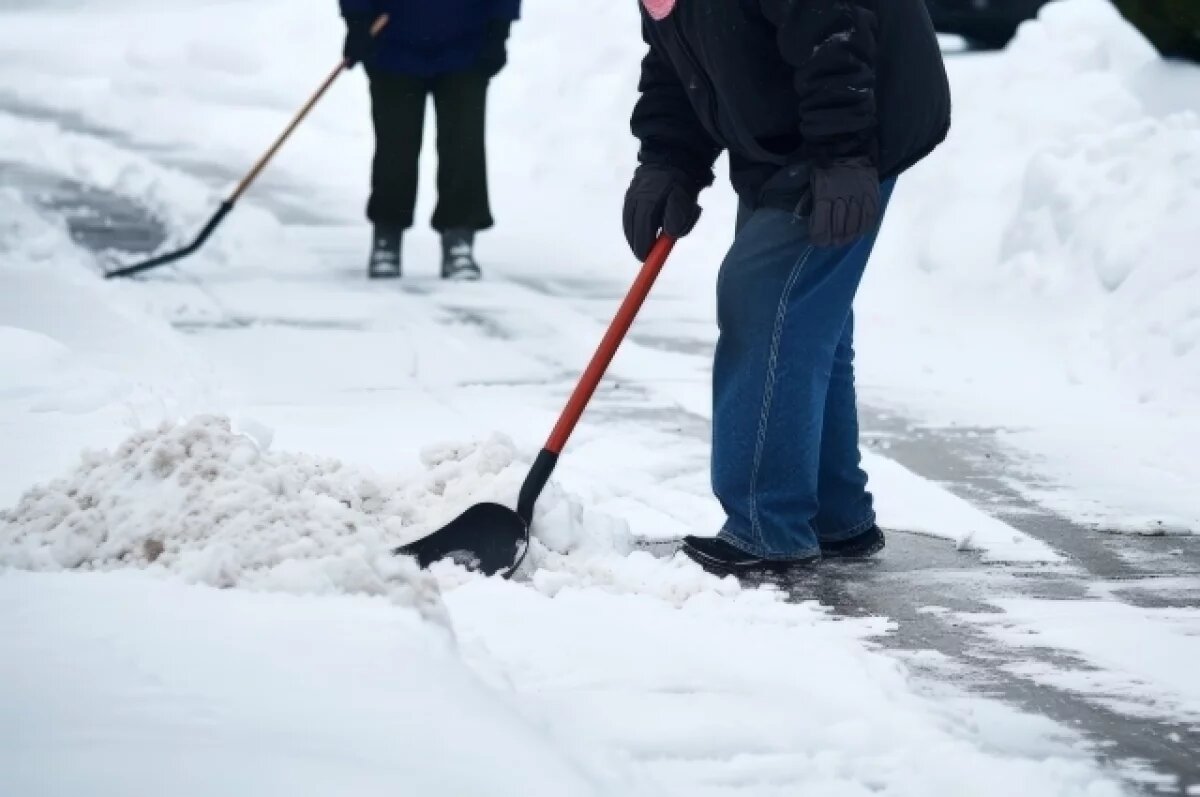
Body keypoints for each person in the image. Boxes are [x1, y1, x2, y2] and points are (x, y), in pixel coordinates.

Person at [625, 0, 950, 574]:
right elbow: (679, 60)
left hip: (855, 124)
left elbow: (834, 33)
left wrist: (844, 157)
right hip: (783, 132)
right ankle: (833, 514)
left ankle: (768, 524)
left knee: (762, 300)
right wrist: (667, 162)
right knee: (802, 316)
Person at [339, 0, 520, 280]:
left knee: (464, 146)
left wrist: (499, 28)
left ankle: (459, 237)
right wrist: (357, 22)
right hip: (392, 44)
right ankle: (387, 235)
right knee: (395, 148)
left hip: (466, 46)